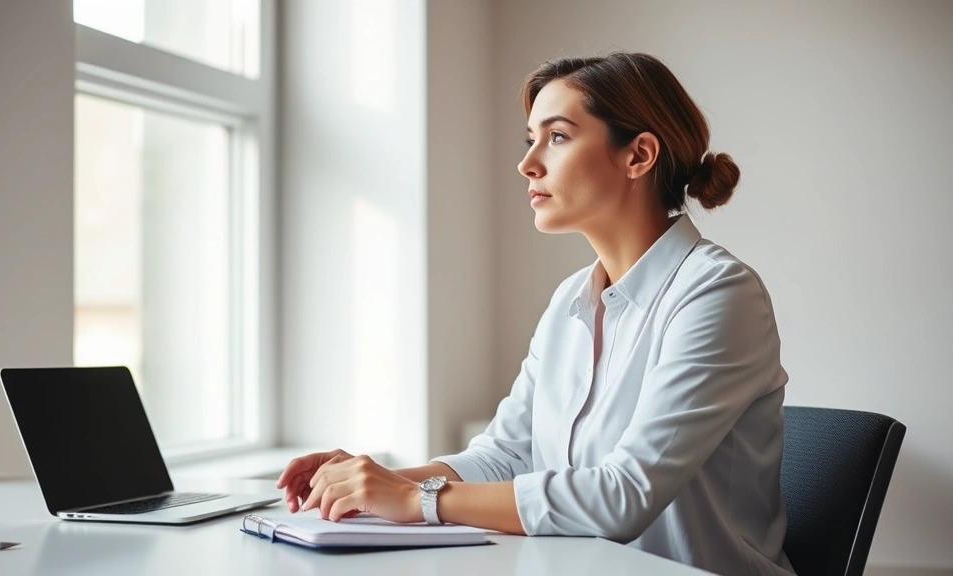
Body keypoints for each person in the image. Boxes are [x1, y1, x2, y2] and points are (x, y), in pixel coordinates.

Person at [276, 52, 793, 576]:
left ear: (638, 155)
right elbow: (505, 456)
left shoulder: (719, 293)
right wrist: (371, 484)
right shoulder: (571, 299)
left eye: (559, 136)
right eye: (531, 140)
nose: (528, 163)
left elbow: (623, 495)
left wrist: (416, 500)